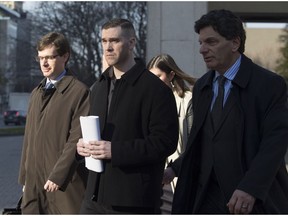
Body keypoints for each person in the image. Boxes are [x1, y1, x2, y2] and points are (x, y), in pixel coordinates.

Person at [172, 9, 288, 214]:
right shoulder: (202, 87)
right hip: (206, 199)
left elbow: (274, 144)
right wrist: (173, 169)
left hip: (250, 201)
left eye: (211, 42)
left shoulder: (270, 85)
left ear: (235, 43)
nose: (202, 49)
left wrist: (250, 188)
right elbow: (201, 141)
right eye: (200, 43)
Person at [76, 18, 179, 214]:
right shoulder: (98, 86)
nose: (108, 47)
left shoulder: (155, 89)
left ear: (131, 43)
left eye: (114, 40)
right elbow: (94, 133)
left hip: (133, 201)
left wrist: (115, 150)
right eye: (104, 41)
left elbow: (165, 142)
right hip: (93, 199)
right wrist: (81, 147)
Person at [18, 32, 90, 214]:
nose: (44, 63)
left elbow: (76, 139)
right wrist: (25, 180)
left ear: (65, 56)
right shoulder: (36, 93)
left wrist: (58, 176)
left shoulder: (79, 92)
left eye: (50, 57)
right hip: (34, 186)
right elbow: (29, 140)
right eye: (41, 57)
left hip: (64, 185)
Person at [147, 54, 196, 212]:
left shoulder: (188, 101)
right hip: (154, 177)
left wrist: (175, 169)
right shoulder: (148, 102)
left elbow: (193, 144)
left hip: (177, 177)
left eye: (158, 76)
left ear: (171, 75)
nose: (153, 81)